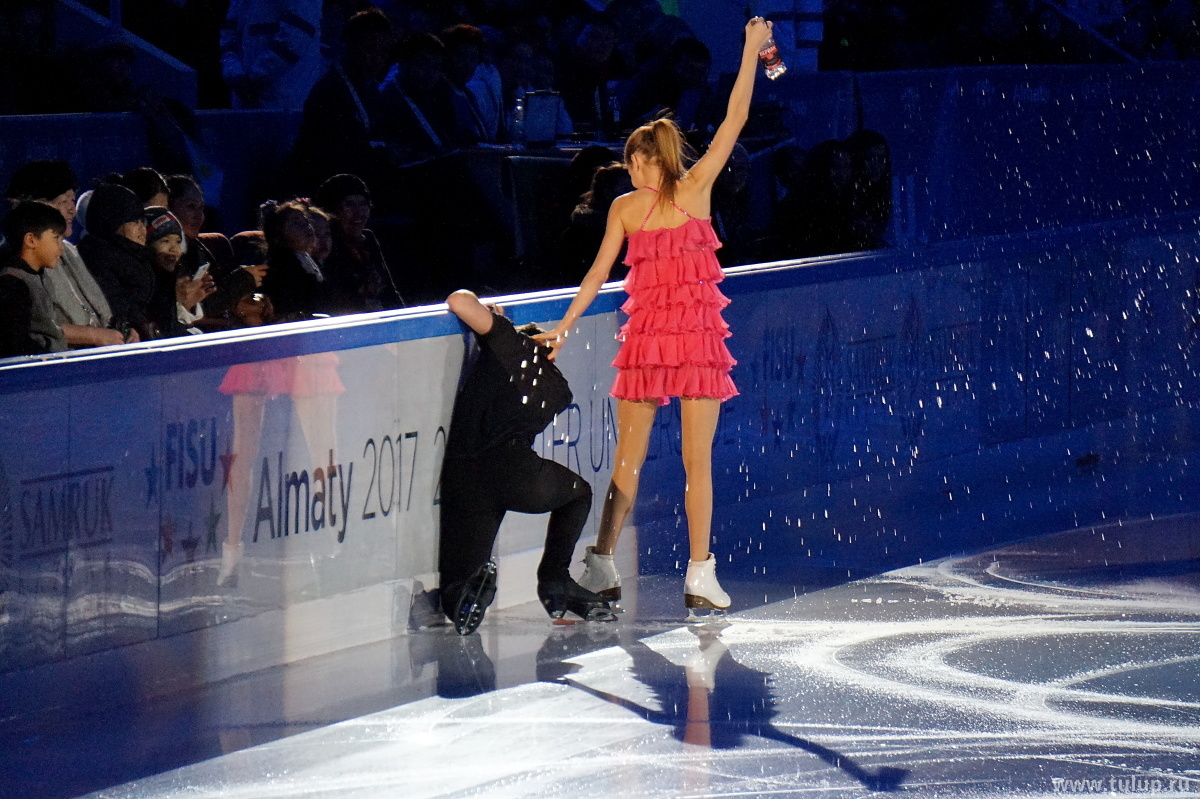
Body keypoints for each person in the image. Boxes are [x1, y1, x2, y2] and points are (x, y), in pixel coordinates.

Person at [534, 18, 777, 619]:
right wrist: (750, 50)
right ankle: (697, 573)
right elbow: (735, 118)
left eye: (632, 162)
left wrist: (565, 326)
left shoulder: (632, 204)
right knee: (696, 464)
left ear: (647, 160)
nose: (628, 170)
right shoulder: (693, 190)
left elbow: (597, 275)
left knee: (630, 460)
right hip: (690, 341)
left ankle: (604, 561)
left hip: (651, 341)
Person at [440, 289, 615, 635]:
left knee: (459, 578)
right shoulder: (558, 391)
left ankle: (464, 593)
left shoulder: (506, 342)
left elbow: (459, 301)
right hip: (517, 476)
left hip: (465, 474)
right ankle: (554, 579)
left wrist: (495, 319)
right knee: (578, 493)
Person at [4, 159, 131, 348]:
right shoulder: (16, 262)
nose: (72, 210)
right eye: (62, 202)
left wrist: (121, 331)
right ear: (33, 208)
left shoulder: (69, 251)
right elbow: (35, 328)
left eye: (72, 200)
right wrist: (94, 336)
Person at [0, 202, 67, 357]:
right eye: (56, 238)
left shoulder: (41, 276)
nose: (61, 247)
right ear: (31, 240)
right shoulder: (12, 284)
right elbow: (16, 345)